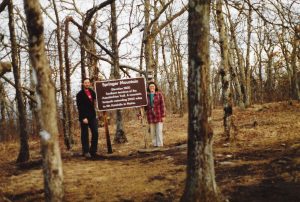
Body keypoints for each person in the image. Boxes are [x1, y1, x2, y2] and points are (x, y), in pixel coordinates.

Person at [76, 78, 99, 158]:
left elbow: (96, 102)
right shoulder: (79, 94)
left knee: (95, 132)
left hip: (92, 116)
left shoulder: (92, 92)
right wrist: (83, 117)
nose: (87, 84)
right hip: (84, 117)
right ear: (83, 84)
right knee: (85, 134)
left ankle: (93, 151)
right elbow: (79, 107)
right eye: (85, 83)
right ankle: (86, 151)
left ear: (90, 84)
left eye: (88, 83)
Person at [145, 81, 166, 147]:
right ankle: (155, 145)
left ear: (155, 87)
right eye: (150, 86)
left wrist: (163, 115)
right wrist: (139, 115)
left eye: (153, 86)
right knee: (152, 132)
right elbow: (143, 107)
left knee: (159, 131)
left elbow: (162, 105)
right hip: (150, 116)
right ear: (148, 88)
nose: (152, 87)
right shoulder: (146, 96)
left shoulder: (159, 94)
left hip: (158, 115)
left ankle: (160, 145)